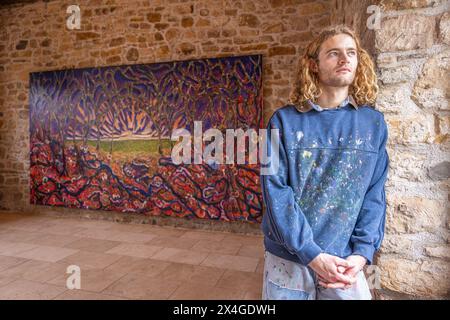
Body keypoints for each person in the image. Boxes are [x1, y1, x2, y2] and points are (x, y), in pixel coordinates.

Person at [261, 24, 389, 300]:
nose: (345, 59)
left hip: (346, 261)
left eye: (351, 53)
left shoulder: (373, 124)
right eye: (333, 53)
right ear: (314, 65)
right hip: (289, 258)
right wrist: (311, 253)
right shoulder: (281, 122)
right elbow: (275, 192)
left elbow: (374, 195)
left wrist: (363, 253)